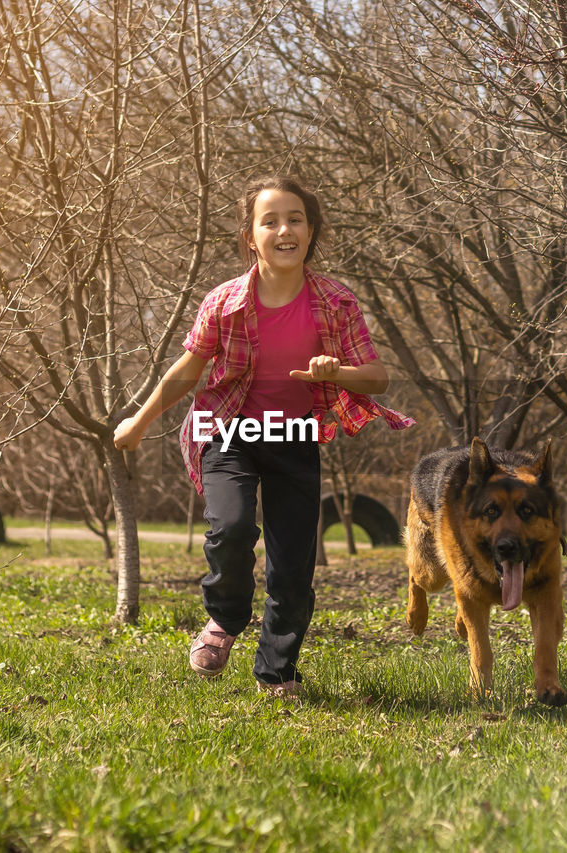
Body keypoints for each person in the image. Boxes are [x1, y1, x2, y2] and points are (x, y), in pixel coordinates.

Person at [113, 175, 413, 696]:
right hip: (228, 430)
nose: (284, 229)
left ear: (312, 230)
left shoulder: (337, 302)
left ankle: (277, 670)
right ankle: (225, 619)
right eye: (269, 220)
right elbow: (187, 370)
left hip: (294, 436)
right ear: (251, 236)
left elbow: (378, 376)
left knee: (293, 565)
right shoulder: (225, 301)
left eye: (295, 218)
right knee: (230, 529)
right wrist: (139, 422)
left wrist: (334, 373)